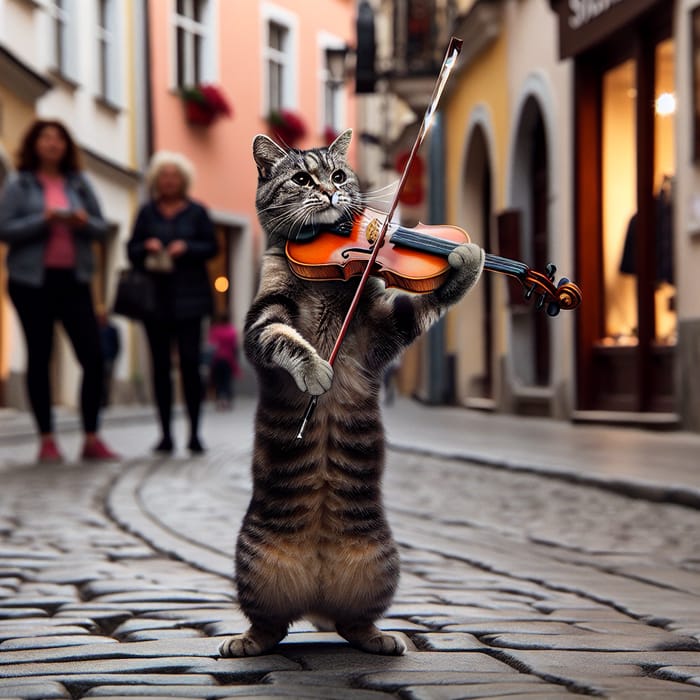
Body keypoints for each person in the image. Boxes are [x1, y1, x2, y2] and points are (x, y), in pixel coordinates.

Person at [0, 119, 119, 462]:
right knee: (40, 355)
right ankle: (47, 439)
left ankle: (91, 436)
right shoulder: (19, 183)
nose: (52, 144)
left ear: (67, 147)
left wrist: (82, 222)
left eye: (58, 139)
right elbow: (4, 228)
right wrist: (44, 219)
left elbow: (100, 229)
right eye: (45, 138)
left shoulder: (79, 183)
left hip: (74, 280)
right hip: (30, 283)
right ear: (34, 145)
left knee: (93, 357)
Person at [127, 151, 218, 455]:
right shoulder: (146, 213)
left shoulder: (197, 213)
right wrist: (145, 246)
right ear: (156, 180)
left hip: (191, 300)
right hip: (155, 300)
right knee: (160, 368)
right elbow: (131, 249)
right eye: (163, 176)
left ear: (182, 181)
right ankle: (165, 434)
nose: (168, 181)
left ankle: (195, 433)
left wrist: (188, 247)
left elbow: (212, 247)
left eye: (173, 176)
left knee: (191, 366)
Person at [207, 312, 241, 410]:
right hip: (228, 359)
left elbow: (211, 346)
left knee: (218, 381)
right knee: (227, 381)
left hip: (217, 359)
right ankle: (226, 400)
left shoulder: (215, 330)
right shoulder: (232, 331)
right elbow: (235, 347)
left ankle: (219, 401)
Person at [97, 307, 121, 407]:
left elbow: (117, 344)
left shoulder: (112, 329)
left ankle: (105, 401)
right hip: (99, 358)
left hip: (109, 358)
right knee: (100, 380)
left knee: (107, 380)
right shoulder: (97, 329)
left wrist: (114, 356)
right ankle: (100, 400)